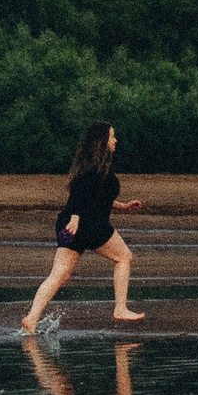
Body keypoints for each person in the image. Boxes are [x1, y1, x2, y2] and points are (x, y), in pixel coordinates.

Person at [19, 120, 146, 330]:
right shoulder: (91, 169)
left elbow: (94, 196)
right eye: (112, 136)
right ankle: (120, 309)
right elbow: (79, 190)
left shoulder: (95, 166)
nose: (115, 140)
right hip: (86, 226)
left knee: (59, 273)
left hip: (68, 227)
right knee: (124, 257)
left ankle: (31, 318)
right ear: (102, 141)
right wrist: (76, 217)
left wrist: (122, 206)